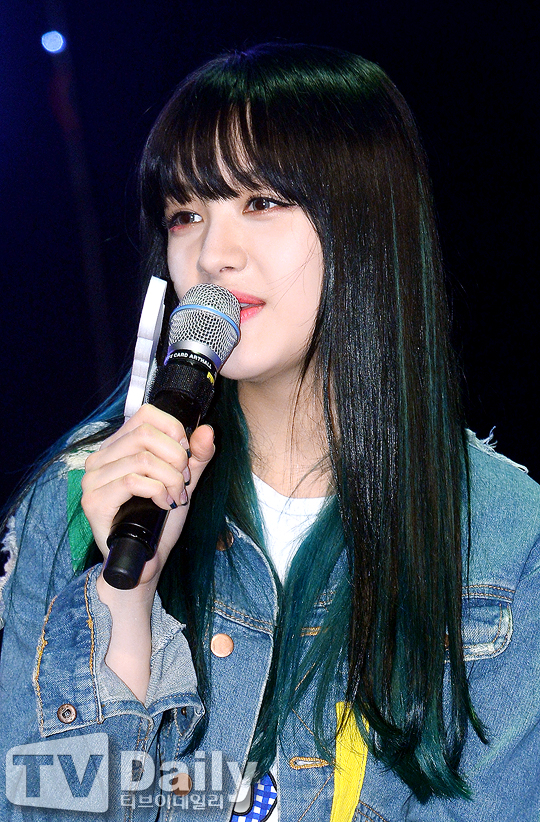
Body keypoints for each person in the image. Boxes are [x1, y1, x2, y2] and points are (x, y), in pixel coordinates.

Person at [1, 42, 539, 822]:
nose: (213, 255)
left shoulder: (506, 536)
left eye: (260, 202)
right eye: (185, 215)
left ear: (366, 224)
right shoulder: (81, 505)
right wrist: (124, 605)